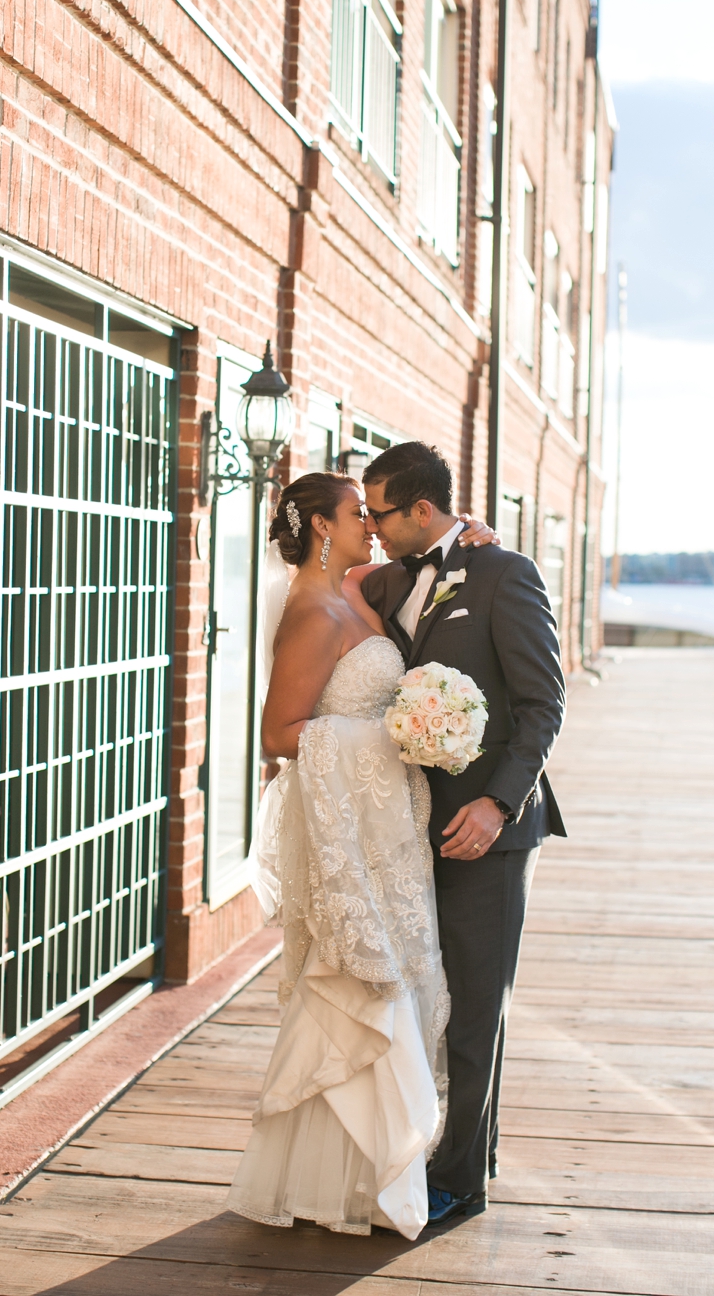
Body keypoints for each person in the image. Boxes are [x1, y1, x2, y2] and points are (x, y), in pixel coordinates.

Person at [226, 472, 498, 1240]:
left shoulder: (362, 590)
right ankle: (349, 1183)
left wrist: (471, 537)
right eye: (355, 514)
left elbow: (426, 560)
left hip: (392, 831)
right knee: (362, 984)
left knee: (409, 981)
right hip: (354, 830)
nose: (370, 526)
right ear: (319, 525)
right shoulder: (311, 611)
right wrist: (391, 736)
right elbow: (280, 734)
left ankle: (375, 1174)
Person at [359, 442, 566, 1226]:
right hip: (404, 827)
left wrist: (497, 805)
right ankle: (437, 1148)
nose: (373, 528)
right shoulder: (383, 580)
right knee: (419, 996)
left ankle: (462, 1179)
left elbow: (545, 706)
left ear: (420, 509)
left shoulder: (504, 575)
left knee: (477, 1004)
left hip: (489, 833)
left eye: (382, 512)